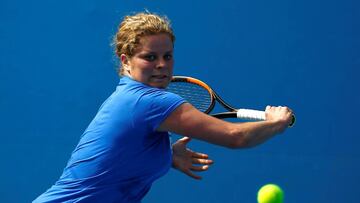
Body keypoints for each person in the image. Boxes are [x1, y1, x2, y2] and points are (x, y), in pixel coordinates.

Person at [33, 12, 293, 203]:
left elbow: (114, 158)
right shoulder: (151, 102)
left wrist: (166, 157)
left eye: (167, 56)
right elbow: (235, 137)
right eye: (149, 57)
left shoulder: (128, 97)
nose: (161, 65)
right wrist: (275, 123)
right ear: (126, 61)